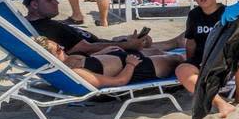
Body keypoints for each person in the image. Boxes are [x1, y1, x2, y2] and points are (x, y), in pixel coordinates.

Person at [173, 0, 239, 118]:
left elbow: (237, 41)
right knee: (182, 70)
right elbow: (191, 42)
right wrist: (191, 62)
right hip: (202, 59)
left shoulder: (228, 14)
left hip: (224, 59)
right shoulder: (194, 15)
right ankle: (221, 103)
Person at [24, 0, 151, 55]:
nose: (57, 2)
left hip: (106, 45)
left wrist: (121, 41)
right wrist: (127, 45)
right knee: (152, 51)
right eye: (49, 0)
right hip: (108, 54)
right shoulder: (50, 28)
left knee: (147, 44)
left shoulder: (34, 25)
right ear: (34, 5)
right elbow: (87, 48)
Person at [32, 36, 182, 88]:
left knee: (157, 51)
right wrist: (130, 64)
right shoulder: (76, 73)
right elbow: (119, 81)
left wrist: (99, 54)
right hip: (137, 68)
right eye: (58, 49)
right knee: (177, 59)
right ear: (49, 57)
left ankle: (180, 42)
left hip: (127, 58)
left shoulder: (68, 61)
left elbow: (89, 62)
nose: (63, 48)